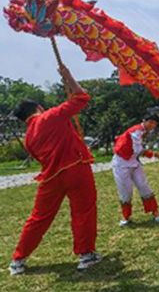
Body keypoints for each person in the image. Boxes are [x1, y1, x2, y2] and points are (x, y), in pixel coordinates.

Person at [9, 65, 101, 275]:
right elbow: (81, 98)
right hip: (75, 169)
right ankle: (85, 255)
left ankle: (18, 260)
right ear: (39, 107)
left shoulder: (28, 139)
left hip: (51, 177)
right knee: (83, 211)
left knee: (39, 217)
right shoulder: (50, 116)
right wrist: (68, 76)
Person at [111, 114, 159, 226]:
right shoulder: (136, 131)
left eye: (155, 124)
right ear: (144, 121)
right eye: (150, 122)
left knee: (143, 185)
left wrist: (153, 154)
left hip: (134, 162)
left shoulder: (143, 131)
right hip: (121, 164)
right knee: (125, 190)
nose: (152, 125)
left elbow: (138, 150)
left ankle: (155, 212)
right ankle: (126, 217)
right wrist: (155, 154)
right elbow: (138, 150)